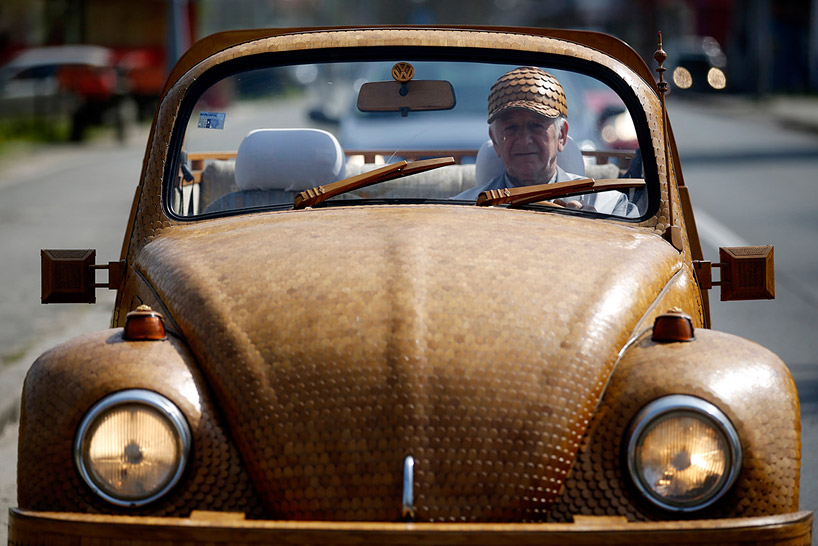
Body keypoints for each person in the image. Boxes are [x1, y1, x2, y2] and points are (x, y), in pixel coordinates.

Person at [456, 66, 638, 217]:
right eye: (511, 128)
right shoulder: (461, 211)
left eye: (536, 126)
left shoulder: (610, 207)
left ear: (562, 136)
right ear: (495, 141)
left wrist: (599, 231)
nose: (524, 140)